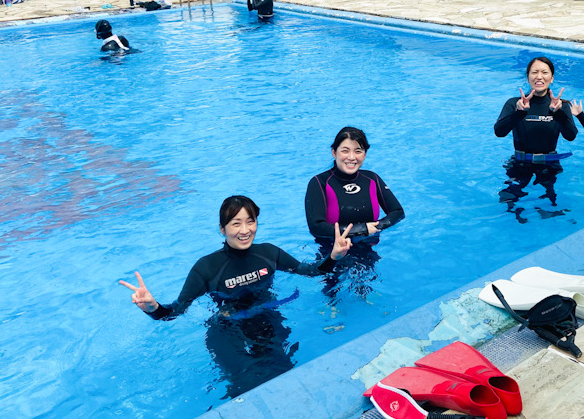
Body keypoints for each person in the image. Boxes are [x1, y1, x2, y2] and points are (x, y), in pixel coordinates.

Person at [120, 195, 353, 397]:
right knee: (245, 383)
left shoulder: (268, 254)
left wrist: (333, 257)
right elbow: (174, 312)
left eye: (250, 222)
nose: (245, 230)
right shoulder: (207, 267)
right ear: (222, 228)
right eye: (236, 223)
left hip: (265, 320)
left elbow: (310, 272)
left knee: (283, 376)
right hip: (226, 327)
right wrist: (153, 308)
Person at [304, 126, 404, 300]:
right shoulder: (319, 182)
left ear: (364, 154)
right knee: (333, 290)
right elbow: (316, 227)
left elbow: (397, 212)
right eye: (345, 150)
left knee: (366, 286)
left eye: (358, 151)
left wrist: (378, 226)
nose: (351, 157)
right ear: (334, 152)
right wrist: (362, 229)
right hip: (332, 250)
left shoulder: (372, 179)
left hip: (367, 245)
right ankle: (332, 309)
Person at [493, 56, 578, 222]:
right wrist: (518, 113)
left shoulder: (561, 105)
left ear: (551, 78)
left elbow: (571, 135)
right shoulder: (514, 103)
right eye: (535, 72)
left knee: (550, 202)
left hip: (549, 164)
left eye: (544, 72)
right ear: (528, 78)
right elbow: (499, 132)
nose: (539, 76)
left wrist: (558, 113)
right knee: (508, 202)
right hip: (519, 163)